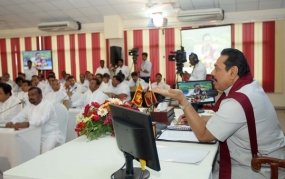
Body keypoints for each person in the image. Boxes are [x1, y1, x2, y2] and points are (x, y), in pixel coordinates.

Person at [152, 48, 285, 179]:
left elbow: (203, 135)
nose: (212, 72)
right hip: (262, 158)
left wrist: (183, 100)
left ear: (233, 72)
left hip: (258, 167)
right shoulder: (250, 86)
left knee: (198, 172)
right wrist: (200, 118)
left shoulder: (237, 102)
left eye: (217, 69)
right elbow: (232, 119)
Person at [6, 87, 63, 154]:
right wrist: (11, 122)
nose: (30, 97)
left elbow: (42, 121)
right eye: (29, 95)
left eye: (33, 95)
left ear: (40, 95)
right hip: (34, 135)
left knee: (46, 153)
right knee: (23, 150)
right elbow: (19, 116)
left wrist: (27, 124)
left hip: (49, 135)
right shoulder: (29, 106)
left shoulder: (47, 105)